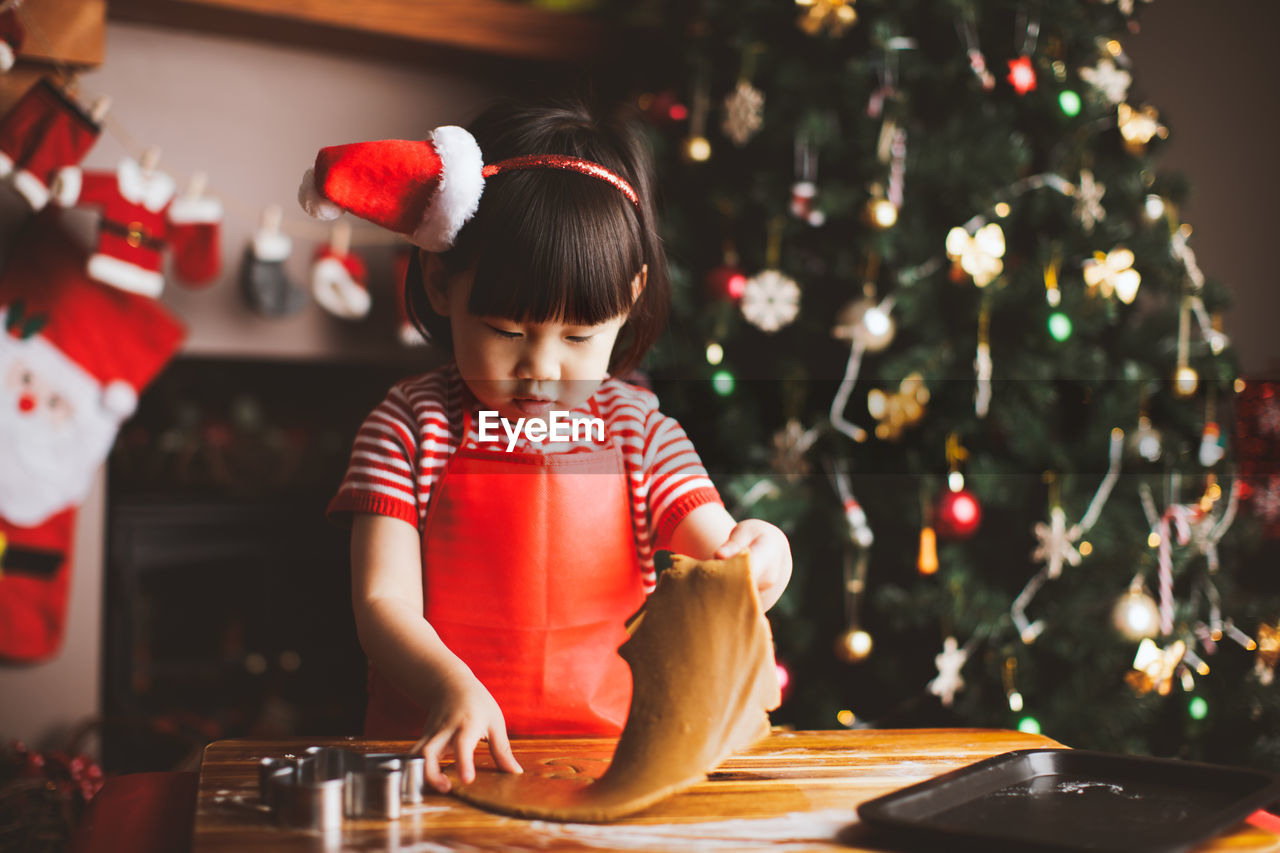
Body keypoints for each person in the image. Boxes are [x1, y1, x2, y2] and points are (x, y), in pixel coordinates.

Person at [311, 96, 792, 794]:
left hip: (615, 767)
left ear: (628, 300)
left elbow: (721, 558)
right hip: (436, 757)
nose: (541, 365)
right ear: (444, 284)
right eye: (508, 331)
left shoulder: (641, 432)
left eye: (576, 338)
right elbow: (383, 601)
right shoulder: (409, 426)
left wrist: (763, 551)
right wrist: (452, 686)